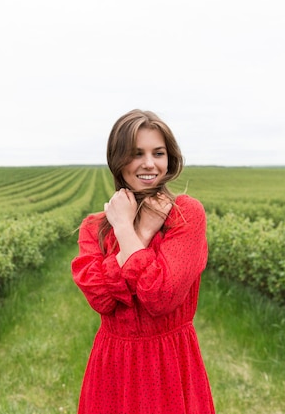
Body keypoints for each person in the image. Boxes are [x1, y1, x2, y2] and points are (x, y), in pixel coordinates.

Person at [71, 109, 215, 413]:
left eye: (158, 153)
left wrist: (128, 231)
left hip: (170, 363)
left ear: (170, 158)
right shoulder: (94, 227)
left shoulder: (186, 215)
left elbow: (161, 296)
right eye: (136, 153)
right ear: (118, 160)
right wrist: (134, 229)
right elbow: (100, 299)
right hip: (113, 365)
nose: (149, 163)